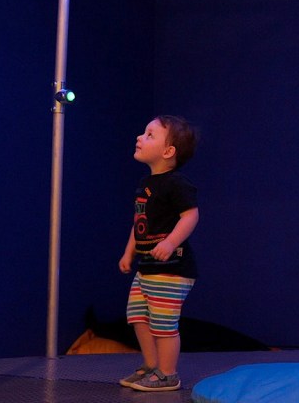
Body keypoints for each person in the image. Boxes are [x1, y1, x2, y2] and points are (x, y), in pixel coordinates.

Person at [117, 115, 200, 392]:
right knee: (137, 316)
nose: (140, 138)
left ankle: (168, 373)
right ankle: (152, 366)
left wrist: (170, 242)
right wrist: (129, 252)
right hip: (147, 267)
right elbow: (139, 223)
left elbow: (190, 216)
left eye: (149, 135)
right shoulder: (145, 184)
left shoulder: (177, 184)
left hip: (171, 269)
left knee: (163, 324)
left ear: (168, 151)